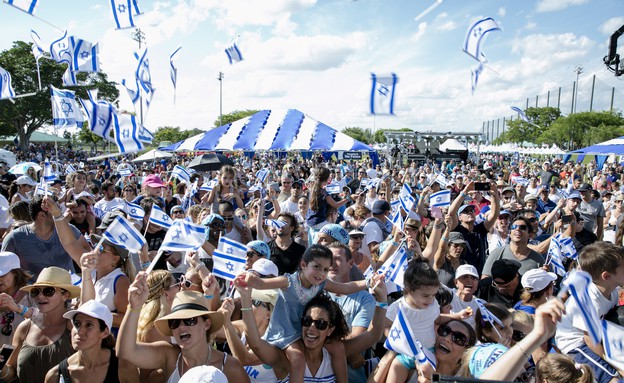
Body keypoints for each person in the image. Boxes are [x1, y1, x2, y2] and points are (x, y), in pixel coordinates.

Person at [242, 244, 381, 383]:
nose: (321, 273)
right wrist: (249, 279)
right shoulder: (288, 281)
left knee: (337, 348)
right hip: (284, 333)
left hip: (302, 332)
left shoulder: (321, 284)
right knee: (297, 359)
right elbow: (261, 284)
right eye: (317, 267)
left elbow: (345, 288)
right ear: (303, 264)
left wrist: (368, 281)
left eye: (326, 269)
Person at [117, 275, 250, 383]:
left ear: (206, 324)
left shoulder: (230, 367)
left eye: (190, 320)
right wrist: (134, 307)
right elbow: (125, 352)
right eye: (175, 322)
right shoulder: (169, 355)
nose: (181, 327)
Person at [554, 242, 623, 383]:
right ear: (607, 276)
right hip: (576, 343)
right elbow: (589, 340)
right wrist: (614, 364)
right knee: (614, 379)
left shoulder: (613, 290)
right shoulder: (588, 299)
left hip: (601, 334)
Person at [0, 267, 80, 382]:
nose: (40, 296)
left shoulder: (74, 327)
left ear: (65, 295)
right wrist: (1, 369)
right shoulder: (24, 328)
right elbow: (10, 374)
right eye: (35, 292)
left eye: (48, 291)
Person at [383, 259, 442, 383]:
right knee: (394, 372)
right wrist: (399, 339)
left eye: (434, 295)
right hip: (404, 354)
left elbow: (437, 320)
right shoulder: (397, 307)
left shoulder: (433, 304)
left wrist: (457, 316)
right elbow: (386, 327)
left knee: (432, 379)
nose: (431, 299)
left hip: (428, 352)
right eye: (426, 295)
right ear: (409, 290)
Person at [2, 195, 88, 280]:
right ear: (42, 215)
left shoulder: (68, 229)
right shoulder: (14, 238)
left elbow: (86, 249)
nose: (60, 213)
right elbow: (3, 267)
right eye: (55, 211)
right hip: (33, 291)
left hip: (67, 289)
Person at [44, 300, 132, 383]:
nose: (80, 331)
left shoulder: (124, 368)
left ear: (105, 332)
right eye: (77, 324)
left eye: (89, 325)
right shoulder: (55, 375)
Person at [326, 242, 375, 383]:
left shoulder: (365, 299)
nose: (332, 264)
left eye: (338, 259)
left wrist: (322, 342)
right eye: (329, 259)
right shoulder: (315, 292)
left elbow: (356, 340)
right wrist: (346, 352)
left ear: (351, 263)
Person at [79, 235, 134, 333]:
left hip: (107, 340)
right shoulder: (89, 271)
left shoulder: (121, 281)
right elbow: (69, 243)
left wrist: (95, 314)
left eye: (101, 250)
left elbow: (126, 319)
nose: (95, 252)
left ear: (115, 259)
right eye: (95, 246)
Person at [0, 252, 35, 346]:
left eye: (2, 275)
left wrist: (17, 308)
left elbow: (44, 318)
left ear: (15, 273)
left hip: (26, 357)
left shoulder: (33, 293)